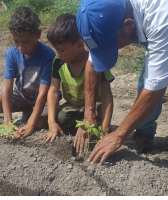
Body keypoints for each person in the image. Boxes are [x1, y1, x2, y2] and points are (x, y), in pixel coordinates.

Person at [76, 0, 168, 191]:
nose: (115, 49)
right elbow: (92, 63)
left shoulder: (164, 18)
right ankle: (143, 134)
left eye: (114, 45)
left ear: (128, 25)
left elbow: (155, 89)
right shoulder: (101, 11)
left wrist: (119, 134)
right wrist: (89, 113)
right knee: (146, 80)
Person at [44, 14, 114, 153]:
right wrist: (51, 123)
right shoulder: (59, 63)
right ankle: (79, 129)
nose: (58, 54)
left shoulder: (95, 60)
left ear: (79, 44)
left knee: (98, 120)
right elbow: (53, 91)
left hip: (94, 109)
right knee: (60, 117)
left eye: (62, 50)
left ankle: (99, 129)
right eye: (56, 50)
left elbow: (107, 97)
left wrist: (104, 130)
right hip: (73, 108)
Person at [0, 6, 55, 138]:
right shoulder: (11, 53)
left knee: (41, 122)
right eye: (16, 42)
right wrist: (8, 121)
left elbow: (43, 93)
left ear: (37, 35)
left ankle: (30, 115)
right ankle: (27, 112)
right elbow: (6, 90)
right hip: (20, 96)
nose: (20, 47)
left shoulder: (47, 55)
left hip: (41, 100)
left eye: (25, 42)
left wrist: (31, 123)